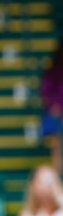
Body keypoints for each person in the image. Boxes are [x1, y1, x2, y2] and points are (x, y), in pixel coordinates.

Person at [40, 42, 63, 175]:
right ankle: (58, 176)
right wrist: (57, 108)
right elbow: (46, 92)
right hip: (54, 114)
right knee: (56, 146)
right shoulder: (52, 71)